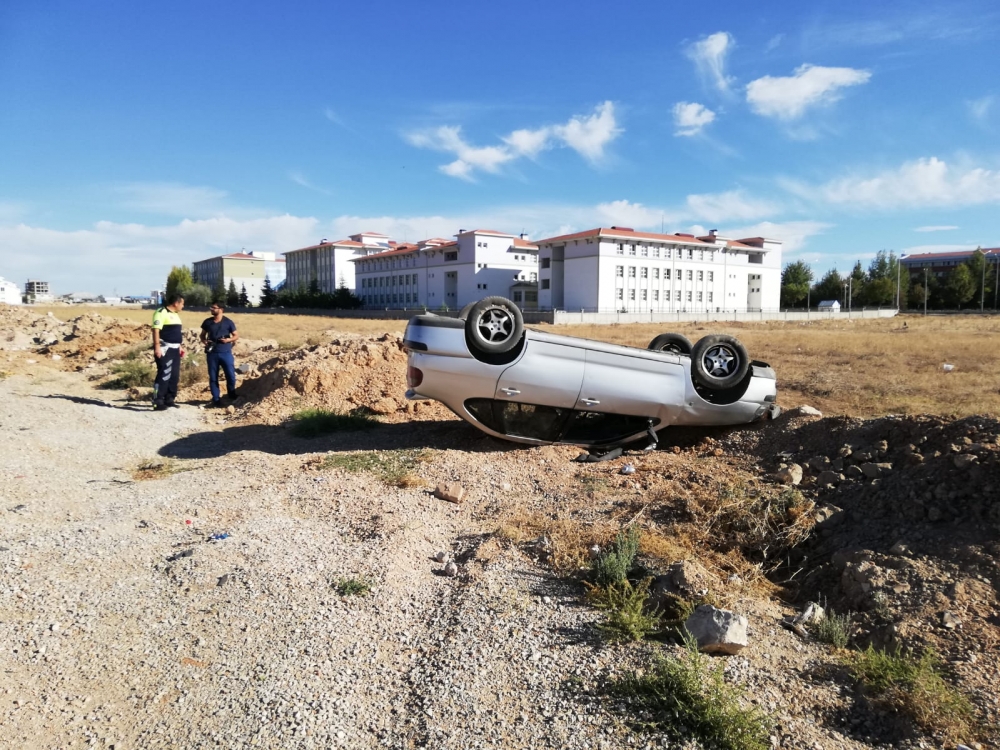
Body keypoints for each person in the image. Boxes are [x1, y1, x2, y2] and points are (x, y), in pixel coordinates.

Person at [200, 302, 240, 408]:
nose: (211, 309)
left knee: (230, 375)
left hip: (225, 352)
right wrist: (205, 342)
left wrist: (228, 340)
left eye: (214, 307)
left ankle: (231, 394)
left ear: (221, 309)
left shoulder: (228, 322)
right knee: (213, 377)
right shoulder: (207, 322)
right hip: (212, 353)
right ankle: (216, 399)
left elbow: (236, 335)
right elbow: (202, 335)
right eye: (211, 307)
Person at [151, 293, 185, 410]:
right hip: (165, 349)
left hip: (175, 349)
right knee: (164, 374)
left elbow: (175, 333)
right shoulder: (161, 312)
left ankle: (169, 399)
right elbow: (156, 330)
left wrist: (179, 346)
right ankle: (158, 400)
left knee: (174, 376)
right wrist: (157, 347)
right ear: (176, 303)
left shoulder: (176, 315)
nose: (183, 306)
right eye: (182, 304)